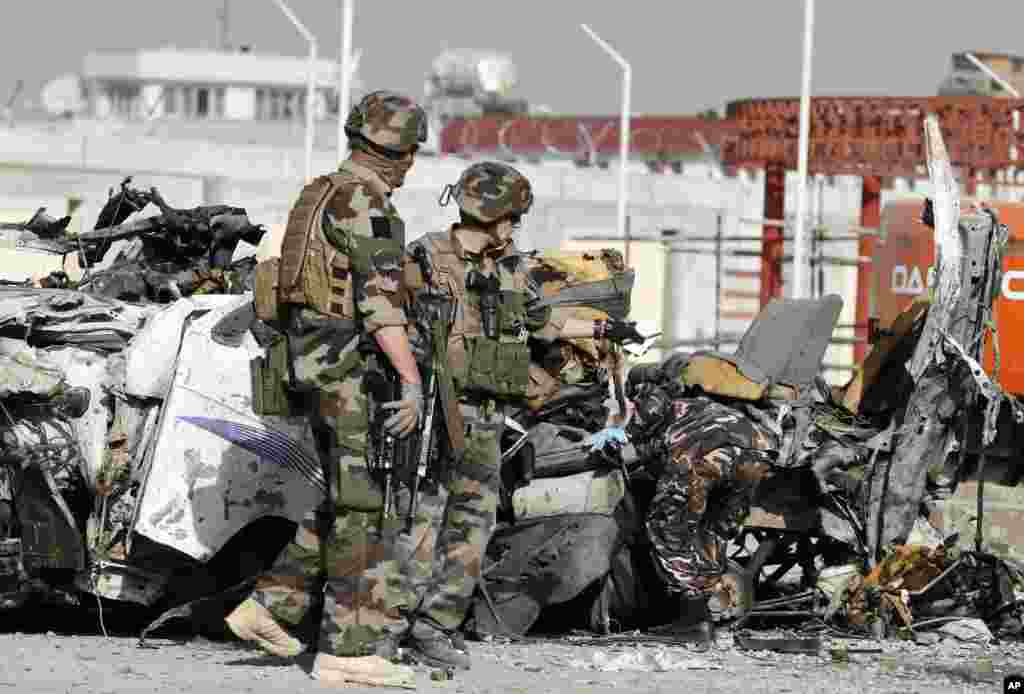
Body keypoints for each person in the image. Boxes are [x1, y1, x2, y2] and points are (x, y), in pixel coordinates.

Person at [399, 161, 645, 668]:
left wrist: (602, 331)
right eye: (511, 215)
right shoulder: (424, 258)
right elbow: (387, 328)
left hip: (488, 417)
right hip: (435, 413)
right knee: (420, 521)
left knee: (473, 521)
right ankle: (394, 625)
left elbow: (541, 320)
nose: (516, 226)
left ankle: (436, 626)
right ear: (487, 211)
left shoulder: (509, 264)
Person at [224, 90, 430, 686]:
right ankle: (348, 650)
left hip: (308, 367)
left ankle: (269, 608)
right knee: (364, 509)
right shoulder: (369, 203)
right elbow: (381, 305)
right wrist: (411, 383)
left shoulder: (317, 194)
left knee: (344, 497)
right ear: (402, 154)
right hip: (348, 375)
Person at [625, 377, 777, 644]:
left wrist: (618, 436)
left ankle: (694, 619)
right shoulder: (696, 405)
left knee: (668, 527)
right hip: (757, 455)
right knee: (711, 531)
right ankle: (705, 613)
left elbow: (637, 443)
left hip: (704, 454)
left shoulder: (645, 397)